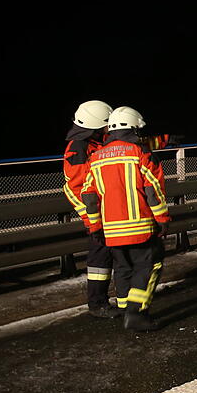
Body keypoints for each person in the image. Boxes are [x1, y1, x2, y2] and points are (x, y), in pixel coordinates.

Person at [80, 107, 171, 331]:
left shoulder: (96, 158)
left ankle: (124, 308)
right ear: (133, 127)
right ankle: (136, 312)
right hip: (140, 227)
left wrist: (94, 226)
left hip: (111, 231)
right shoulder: (140, 153)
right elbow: (153, 190)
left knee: (123, 268)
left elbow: (89, 196)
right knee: (150, 265)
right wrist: (163, 219)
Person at [63, 100, 120, 318]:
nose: (109, 128)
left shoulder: (96, 141)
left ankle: (123, 299)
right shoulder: (79, 149)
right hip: (98, 216)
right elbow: (76, 189)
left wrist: (163, 141)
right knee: (100, 260)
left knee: (116, 256)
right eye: (106, 124)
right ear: (96, 126)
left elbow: (129, 143)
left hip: (111, 211)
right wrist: (92, 221)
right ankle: (97, 304)